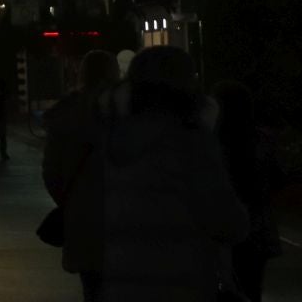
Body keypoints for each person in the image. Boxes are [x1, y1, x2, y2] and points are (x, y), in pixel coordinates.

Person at [97, 47, 250, 302]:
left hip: (123, 283)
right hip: (184, 282)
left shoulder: (114, 137)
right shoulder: (190, 141)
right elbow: (227, 220)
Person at [41, 49, 119, 301]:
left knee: (93, 286)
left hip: (82, 212)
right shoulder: (128, 110)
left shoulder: (66, 114)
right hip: (126, 213)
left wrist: (68, 199)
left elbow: (51, 171)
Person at [214, 81, 282, 302]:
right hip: (258, 228)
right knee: (252, 289)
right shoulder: (263, 140)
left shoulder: (214, 142)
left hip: (224, 227)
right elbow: (277, 178)